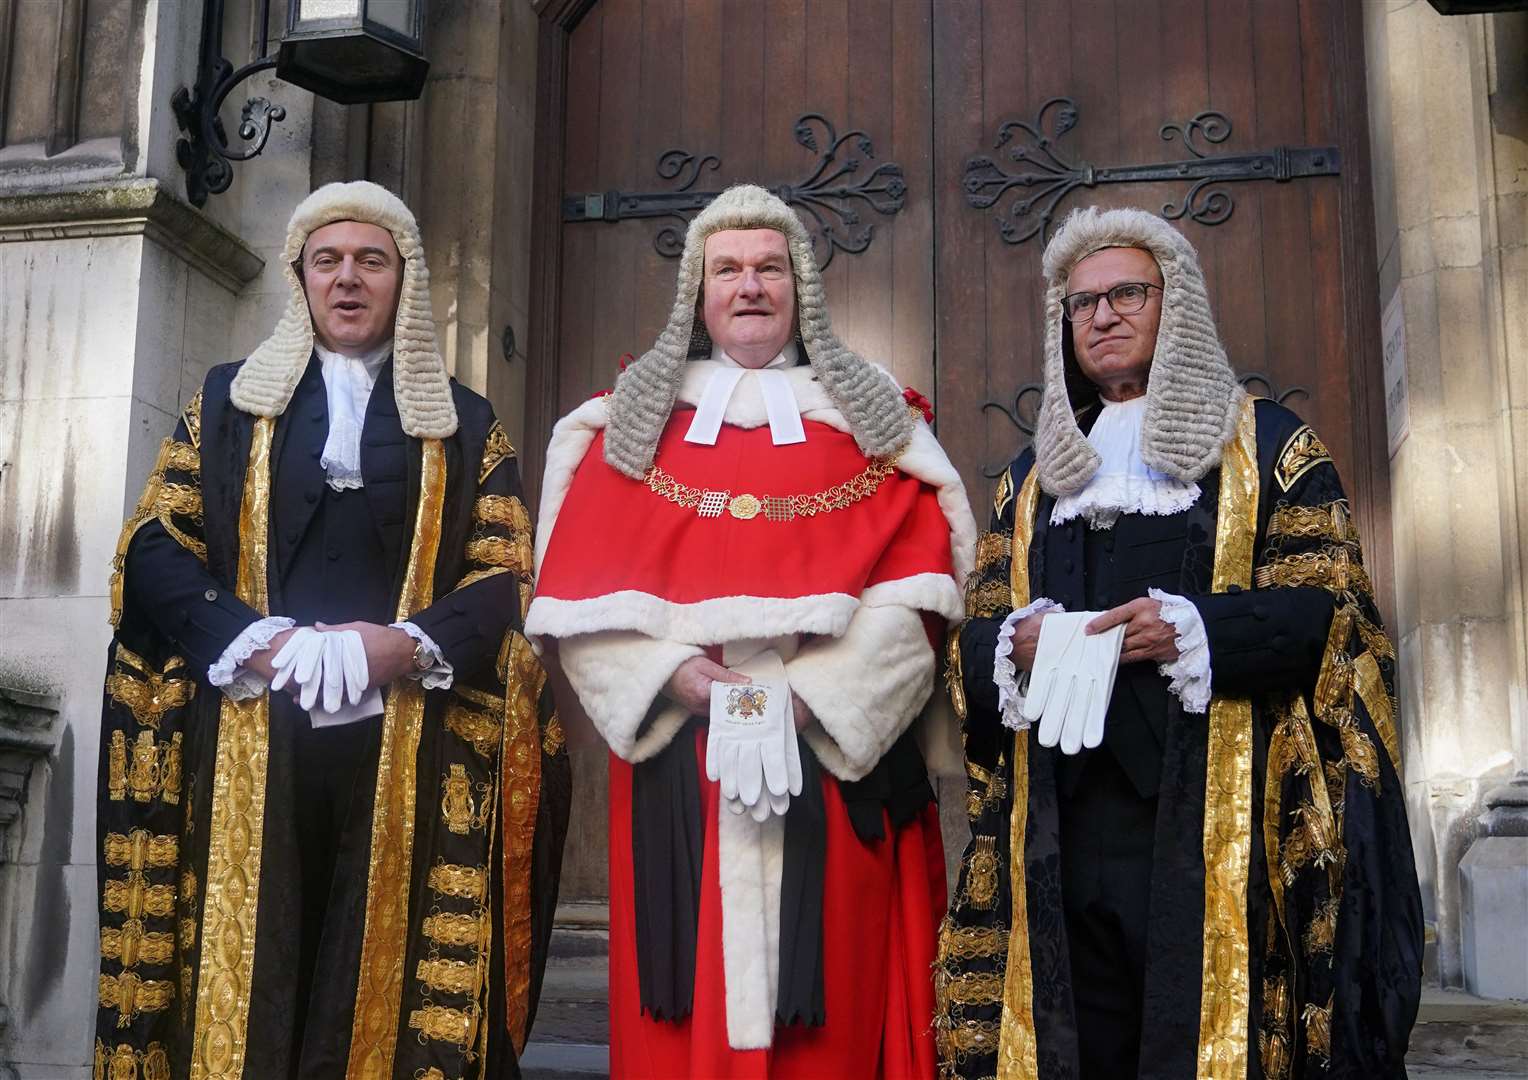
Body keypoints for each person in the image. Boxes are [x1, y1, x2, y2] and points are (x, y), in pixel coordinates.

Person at [94, 180, 570, 1079]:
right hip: (250, 730)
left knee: (373, 964)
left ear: (405, 280)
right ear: (301, 278)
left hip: (408, 740)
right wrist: (254, 640)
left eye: (370, 262)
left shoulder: (467, 424)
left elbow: (505, 571)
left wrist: (399, 647)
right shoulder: (229, 401)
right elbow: (155, 543)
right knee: (261, 952)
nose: (348, 279)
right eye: (328, 262)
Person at [936, 206, 1423, 1079]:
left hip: (1211, 824)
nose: (1104, 316)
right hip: (1061, 828)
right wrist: (1019, 640)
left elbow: (1328, 616)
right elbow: (968, 644)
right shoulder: (1030, 479)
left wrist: (1189, 628)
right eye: (1082, 304)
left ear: (1178, 305)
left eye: (1127, 293)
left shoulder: (1269, 448)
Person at [527, 184, 976, 1077]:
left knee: (835, 1019)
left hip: (832, 760)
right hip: (679, 763)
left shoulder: (876, 424)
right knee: (678, 1005)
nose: (750, 286)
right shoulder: (624, 427)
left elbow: (918, 597)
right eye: (726, 269)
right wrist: (685, 683)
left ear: (800, 287)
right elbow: (577, 609)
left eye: (769, 267)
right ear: (697, 294)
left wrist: (806, 703)